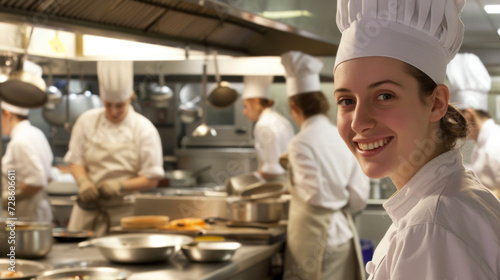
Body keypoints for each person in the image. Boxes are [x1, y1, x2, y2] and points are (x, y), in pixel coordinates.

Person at [333, 0, 500, 279]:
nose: (359, 122)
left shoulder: (430, 227)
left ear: (436, 103)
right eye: (346, 100)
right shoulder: (455, 196)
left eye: (384, 96)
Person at [281, 51, 369, 280]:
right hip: (343, 235)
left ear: (294, 107)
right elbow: (359, 197)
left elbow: (315, 195)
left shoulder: (299, 143)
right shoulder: (343, 136)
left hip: (315, 241)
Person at [64, 61, 164, 236]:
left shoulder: (144, 128)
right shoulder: (87, 121)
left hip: (125, 214)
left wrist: (120, 185)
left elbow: (152, 178)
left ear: (130, 97)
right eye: (108, 104)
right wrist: (83, 182)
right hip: (87, 210)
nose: (113, 111)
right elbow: (75, 160)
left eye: (120, 105)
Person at [446, 53, 500, 199]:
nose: (453, 124)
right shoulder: (482, 144)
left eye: (456, 118)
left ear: (468, 115)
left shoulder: (495, 143)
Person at [1, 101, 53, 223]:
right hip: (40, 208)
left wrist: (10, 197)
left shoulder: (19, 141)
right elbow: (49, 177)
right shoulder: (36, 133)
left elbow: (37, 181)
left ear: (7, 114)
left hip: (25, 212)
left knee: (20, 242)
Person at [242, 75, 295, 181]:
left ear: (256, 103)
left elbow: (272, 168)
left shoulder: (263, 125)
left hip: (275, 185)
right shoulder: (281, 120)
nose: (244, 112)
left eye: (245, 106)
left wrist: (247, 182)